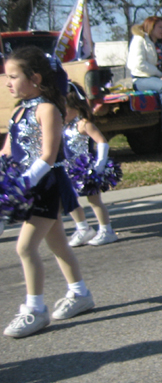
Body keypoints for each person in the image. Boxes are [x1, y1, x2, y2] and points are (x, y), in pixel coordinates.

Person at [2, 47, 94, 338]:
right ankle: (80, 293)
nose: (7, 82)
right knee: (58, 245)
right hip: (26, 187)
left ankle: (35, 309)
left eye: (13, 76)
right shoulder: (19, 110)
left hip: (45, 186)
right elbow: (8, 150)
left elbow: (49, 155)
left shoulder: (48, 109)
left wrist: (24, 182)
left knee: (25, 247)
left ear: (35, 78)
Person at [63, 83, 118, 247]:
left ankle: (107, 230)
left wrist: (99, 165)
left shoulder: (84, 124)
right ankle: (83, 228)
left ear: (75, 107)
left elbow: (102, 142)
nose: (60, 113)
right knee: (69, 200)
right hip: (68, 169)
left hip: (86, 170)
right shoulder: (63, 125)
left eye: (64, 109)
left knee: (94, 201)